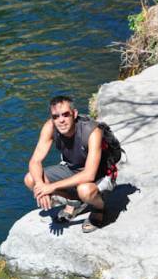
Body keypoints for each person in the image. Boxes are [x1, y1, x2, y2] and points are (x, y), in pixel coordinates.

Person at [24, 94, 114, 232]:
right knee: (31, 179)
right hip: (72, 169)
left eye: (65, 115)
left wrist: (51, 187)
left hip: (99, 175)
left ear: (74, 113)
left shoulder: (92, 131)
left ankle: (99, 208)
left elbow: (89, 175)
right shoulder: (50, 127)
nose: (61, 120)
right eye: (56, 116)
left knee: (84, 190)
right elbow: (35, 161)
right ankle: (74, 201)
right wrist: (41, 185)